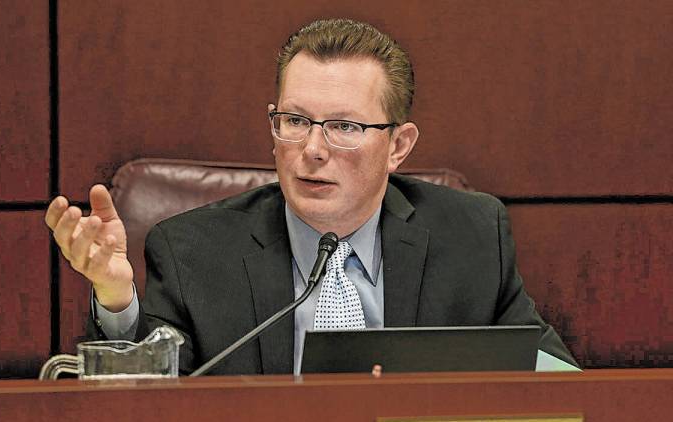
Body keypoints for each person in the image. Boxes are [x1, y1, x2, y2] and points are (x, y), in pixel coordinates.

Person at [45, 19, 578, 375]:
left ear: (398, 146)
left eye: (344, 126)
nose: (313, 149)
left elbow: (556, 383)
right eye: (295, 121)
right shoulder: (192, 252)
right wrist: (116, 300)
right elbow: (145, 411)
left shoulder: (471, 236)